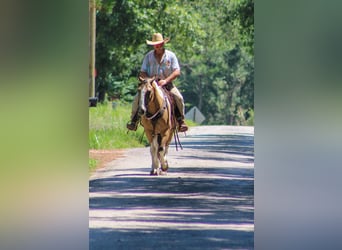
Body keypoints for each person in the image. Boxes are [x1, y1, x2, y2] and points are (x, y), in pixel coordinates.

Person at [126, 33, 188, 132]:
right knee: (137, 99)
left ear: (163, 43)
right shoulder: (148, 57)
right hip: (150, 85)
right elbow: (142, 72)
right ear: (153, 45)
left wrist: (166, 80)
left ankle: (180, 121)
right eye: (155, 44)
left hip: (167, 84)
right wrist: (148, 80)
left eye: (159, 43)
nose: (157, 46)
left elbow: (177, 71)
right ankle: (134, 121)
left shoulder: (171, 56)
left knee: (179, 97)